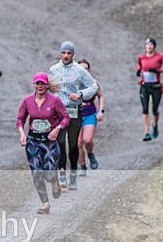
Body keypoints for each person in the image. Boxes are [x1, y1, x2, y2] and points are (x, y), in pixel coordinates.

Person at [17, 72, 70, 214]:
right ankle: (45, 203)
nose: (40, 86)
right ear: (34, 85)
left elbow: (66, 117)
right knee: (36, 172)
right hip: (33, 141)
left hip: (49, 141)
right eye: (37, 83)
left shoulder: (54, 101)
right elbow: (20, 119)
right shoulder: (27, 101)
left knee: (48, 174)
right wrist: (22, 133)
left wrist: (58, 129)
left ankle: (54, 181)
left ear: (47, 85)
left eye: (42, 83)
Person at [48, 41, 98, 190]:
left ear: (73, 54)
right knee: (60, 142)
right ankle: (62, 173)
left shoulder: (79, 70)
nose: (66, 56)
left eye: (69, 53)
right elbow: (49, 88)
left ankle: (74, 175)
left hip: (75, 111)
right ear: (60, 53)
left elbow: (93, 86)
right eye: (64, 53)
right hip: (59, 111)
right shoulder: (53, 69)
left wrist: (81, 94)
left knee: (74, 145)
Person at [136, 38, 163, 141]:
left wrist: (157, 70)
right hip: (144, 86)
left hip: (156, 86)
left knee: (154, 110)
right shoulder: (141, 57)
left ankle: (155, 125)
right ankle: (147, 133)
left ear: (154, 46)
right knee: (145, 109)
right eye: (147, 45)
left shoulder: (160, 56)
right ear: (145, 46)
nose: (149, 47)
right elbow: (139, 64)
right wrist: (138, 70)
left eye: (151, 45)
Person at [76, 59, 104, 175]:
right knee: (78, 143)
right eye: (81, 69)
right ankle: (82, 167)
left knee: (87, 140)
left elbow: (101, 96)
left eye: (86, 69)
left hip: (90, 114)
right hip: (76, 115)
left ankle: (90, 153)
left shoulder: (93, 82)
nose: (84, 71)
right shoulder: (73, 83)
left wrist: (101, 111)